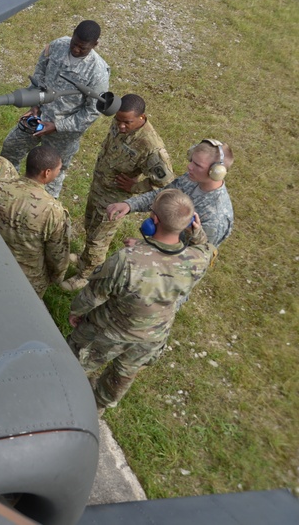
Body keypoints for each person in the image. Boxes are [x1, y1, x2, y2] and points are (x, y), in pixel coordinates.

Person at [67, 189, 217, 410]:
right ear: (188, 224)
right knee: (121, 378)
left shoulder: (126, 260)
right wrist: (196, 232)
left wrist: (76, 312)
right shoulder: (198, 260)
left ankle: (61, 391)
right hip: (152, 338)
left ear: (154, 220)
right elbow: (207, 248)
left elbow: (93, 295)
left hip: (108, 332)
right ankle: (96, 408)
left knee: (73, 364)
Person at [61, 94, 175, 291]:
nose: (121, 126)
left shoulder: (150, 146)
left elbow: (166, 183)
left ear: (142, 117)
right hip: (99, 187)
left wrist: (135, 187)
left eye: (127, 123)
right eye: (118, 121)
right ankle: (85, 259)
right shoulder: (121, 121)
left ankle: (87, 276)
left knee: (99, 239)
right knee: (90, 226)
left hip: (114, 199)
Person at [1, 20, 111, 198]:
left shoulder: (97, 72)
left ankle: (41, 208)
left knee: (51, 175)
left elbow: (91, 112)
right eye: (74, 44)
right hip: (38, 116)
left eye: (82, 48)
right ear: (73, 33)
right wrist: (35, 104)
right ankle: (7, 191)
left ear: (95, 45)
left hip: (62, 133)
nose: (75, 50)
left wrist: (57, 126)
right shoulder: (57, 45)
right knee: (11, 148)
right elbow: (39, 73)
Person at [106, 139, 234, 247]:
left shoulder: (216, 217)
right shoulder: (192, 178)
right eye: (191, 160)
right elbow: (163, 196)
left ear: (217, 172)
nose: (189, 167)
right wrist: (130, 205)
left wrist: (144, 247)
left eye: (197, 165)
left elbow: (195, 256)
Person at [0, 146, 70, 297]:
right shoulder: (53, 211)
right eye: (59, 169)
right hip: (27, 279)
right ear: (47, 172)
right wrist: (57, 277)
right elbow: (57, 255)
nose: (59, 172)